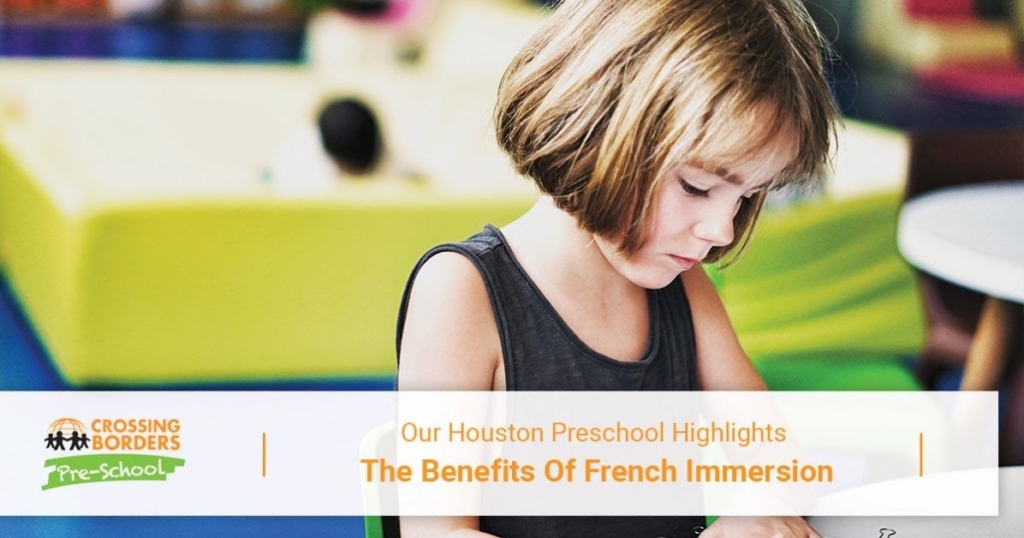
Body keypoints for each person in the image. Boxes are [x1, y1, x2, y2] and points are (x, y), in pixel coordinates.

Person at [396, 0, 840, 535]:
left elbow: (775, 460)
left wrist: (759, 518)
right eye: (697, 186)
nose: (722, 231)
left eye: (746, 197)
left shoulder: (684, 289)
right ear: (597, 132)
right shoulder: (462, 292)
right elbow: (433, 531)